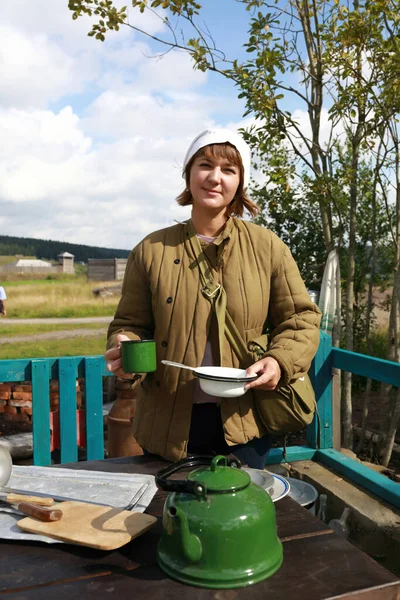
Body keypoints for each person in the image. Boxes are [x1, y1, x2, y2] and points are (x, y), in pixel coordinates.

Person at [105, 129, 321, 468]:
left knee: (241, 515)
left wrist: (280, 360)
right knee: (170, 513)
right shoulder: (151, 250)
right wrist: (124, 345)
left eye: (229, 170)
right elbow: (131, 324)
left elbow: (302, 320)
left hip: (245, 420)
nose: (215, 177)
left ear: (240, 182)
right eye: (205, 165)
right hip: (167, 422)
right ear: (189, 174)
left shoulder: (267, 248)